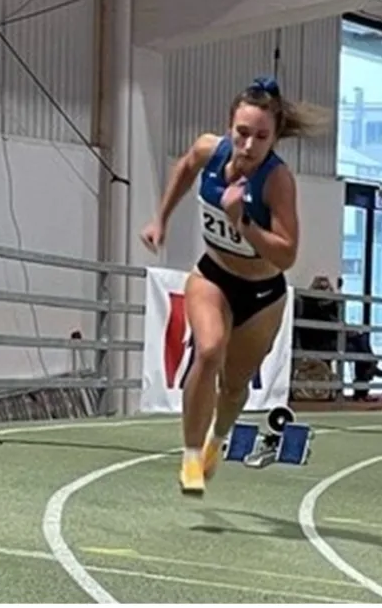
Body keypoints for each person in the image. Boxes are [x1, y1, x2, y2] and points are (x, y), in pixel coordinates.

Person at [139, 76, 329, 497]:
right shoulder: (210, 150)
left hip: (262, 294)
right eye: (242, 133)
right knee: (208, 351)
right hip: (213, 275)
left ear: (274, 138)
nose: (248, 146)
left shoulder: (278, 181)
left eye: (261, 137)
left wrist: (241, 220)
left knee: (235, 386)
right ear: (229, 127)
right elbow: (184, 168)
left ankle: (217, 439)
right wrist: (160, 219)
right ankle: (191, 456)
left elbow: (287, 255)